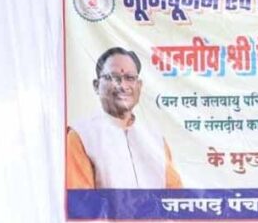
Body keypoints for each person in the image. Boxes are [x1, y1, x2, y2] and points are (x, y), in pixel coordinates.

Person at [66, 46, 182, 189]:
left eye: (130, 78)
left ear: (139, 86)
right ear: (96, 86)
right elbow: (81, 198)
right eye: (113, 78)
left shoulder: (154, 139)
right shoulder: (82, 137)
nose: (123, 86)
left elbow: (175, 194)